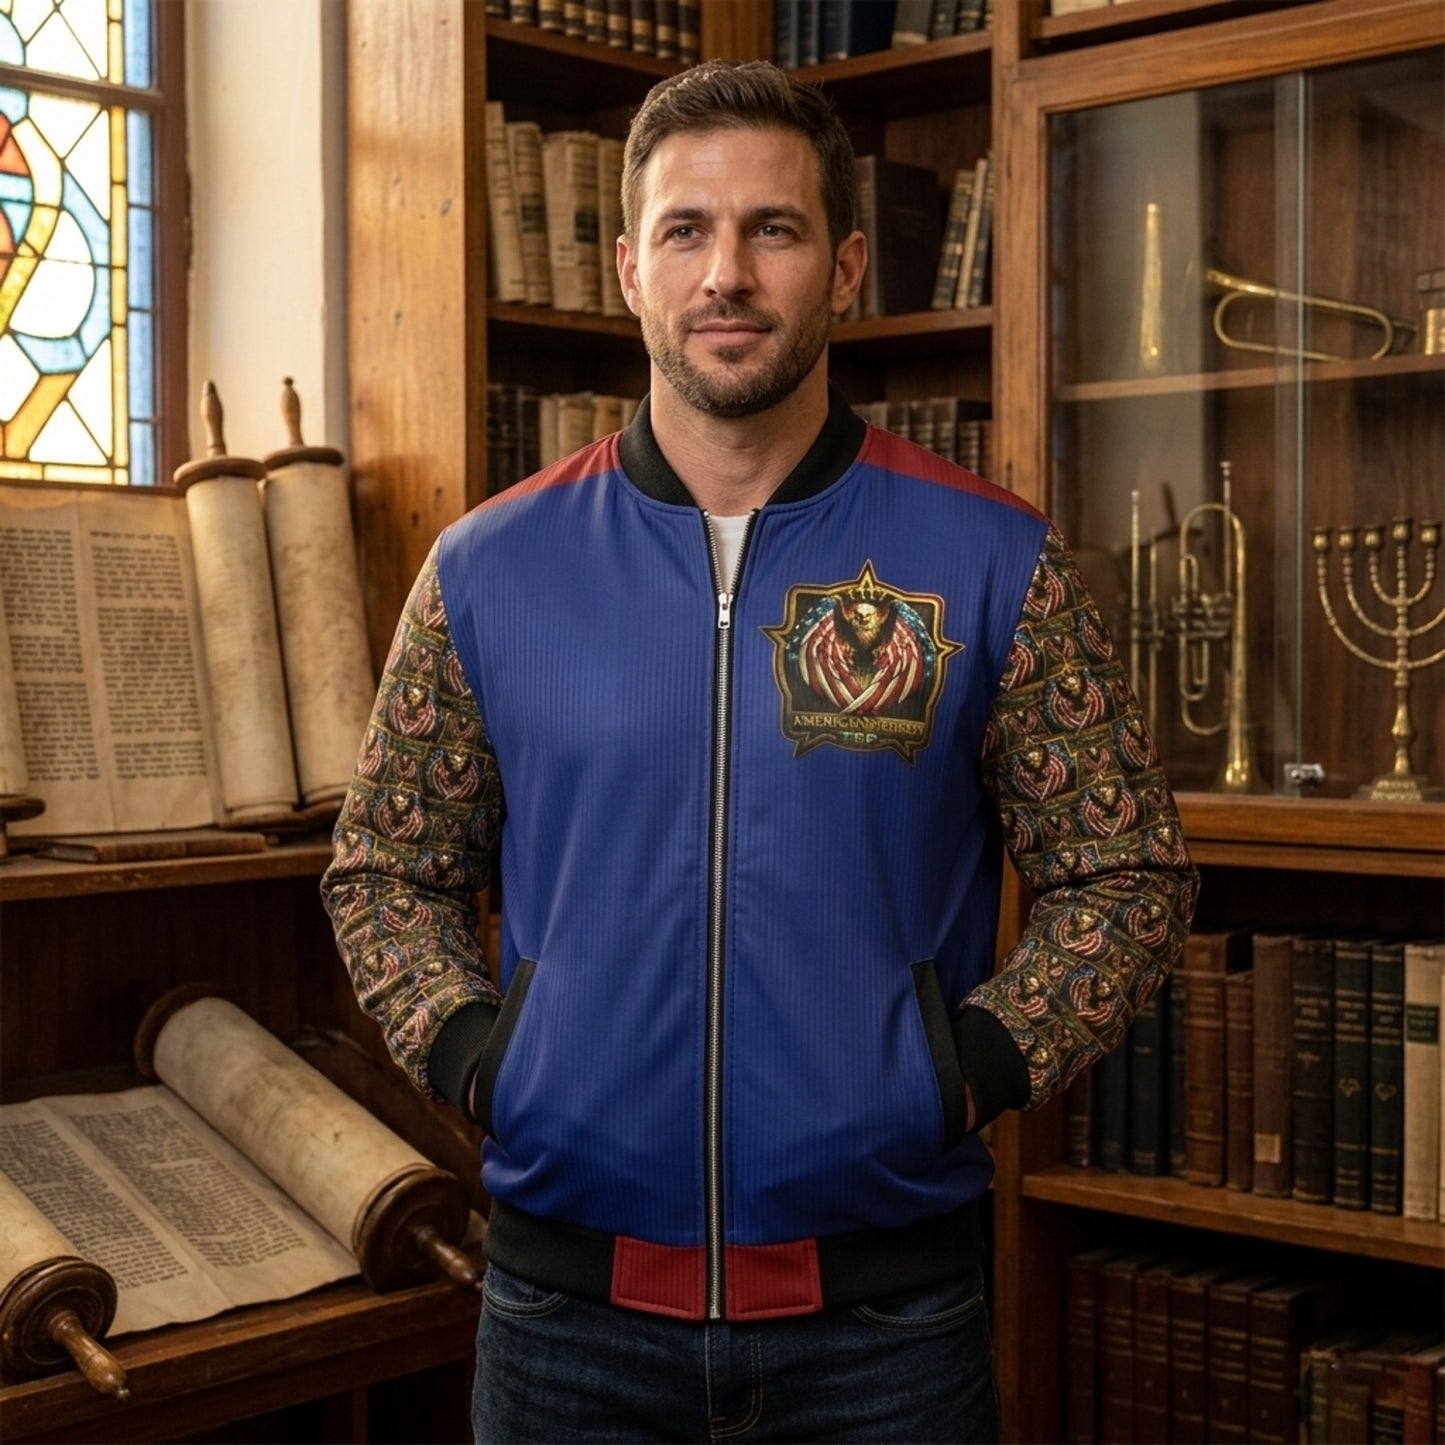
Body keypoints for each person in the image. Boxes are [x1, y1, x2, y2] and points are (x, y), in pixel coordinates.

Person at [322, 58, 1198, 1444]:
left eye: (771, 229)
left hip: (885, 1339)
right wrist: (489, 1061)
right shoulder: (486, 570)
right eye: (686, 230)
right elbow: (385, 868)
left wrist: (962, 1067)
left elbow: (1126, 869)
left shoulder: (992, 561)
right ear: (630, 269)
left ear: (843, 265)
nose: (725, 273)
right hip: (564, 1332)